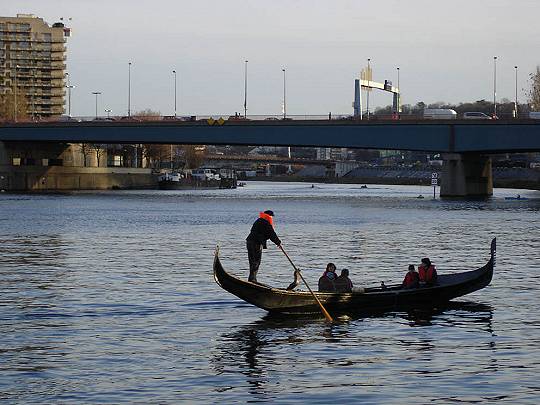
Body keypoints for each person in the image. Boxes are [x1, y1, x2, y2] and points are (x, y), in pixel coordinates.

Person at [246, 210, 281, 283]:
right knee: (256, 261)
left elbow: (268, 234)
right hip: (256, 243)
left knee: (252, 261)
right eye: (271, 217)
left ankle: (252, 279)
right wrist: (278, 243)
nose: (272, 218)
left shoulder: (258, 221)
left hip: (249, 242)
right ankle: (252, 279)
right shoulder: (266, 222)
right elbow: (271, 234)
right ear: (269, 216)